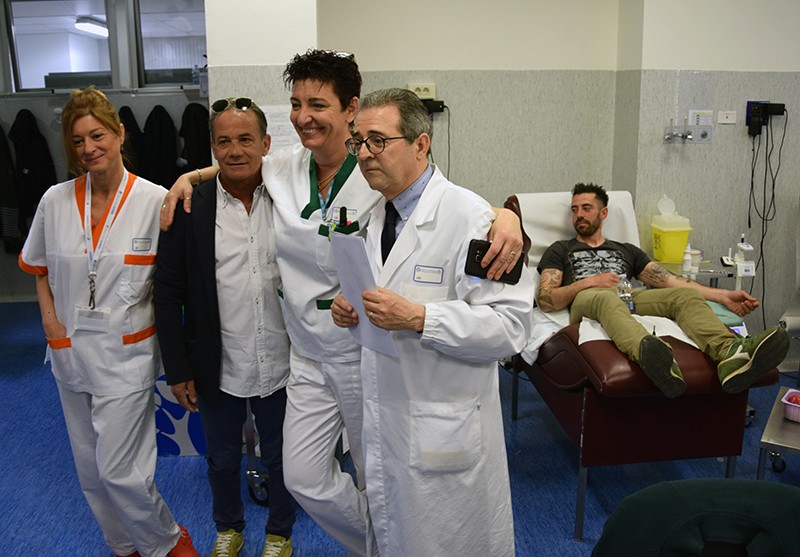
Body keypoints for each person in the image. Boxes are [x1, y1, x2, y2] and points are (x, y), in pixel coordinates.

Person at [160, 49, 524, 556]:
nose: (303, 116)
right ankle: (377, 542)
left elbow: (439, 200)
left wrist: (505, 217)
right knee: (304, 477)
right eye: (296, 104)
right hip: (308, 356)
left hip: (364, 355)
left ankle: (389, 542)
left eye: (317, 104)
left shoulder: (376, 173)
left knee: (382, 476)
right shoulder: (285, 168)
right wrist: (190, 178)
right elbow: (235, 160)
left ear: (350, 108)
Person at [331, 88, 533, 556]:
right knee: (395, 528)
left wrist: (421, 318)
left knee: (450, 538)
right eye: (358, 142)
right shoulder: (376, 212)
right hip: (388, 410)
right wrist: (352, 306)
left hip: (444, 425)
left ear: (421, 144)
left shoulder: (474, 221)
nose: (364, 154)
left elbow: (511, 328)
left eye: (378, 141)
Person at [17, 86, 198, 557]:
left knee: (121, 471)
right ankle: (123, 545)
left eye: (97, 136)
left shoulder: (155, 200)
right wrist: (51, 327)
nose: (88, 148)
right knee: (90, 470)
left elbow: (174, 285)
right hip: (69, 351)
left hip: (126, 354)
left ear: (119, 133)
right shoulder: (55, 200)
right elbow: (38, 269)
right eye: (78, 141)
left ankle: (167, 542)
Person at [153, 98, 295, 557]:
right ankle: (228, 527)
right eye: (224, 141)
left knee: (282, 456)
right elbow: (167, 292)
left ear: (266, 144)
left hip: (284, 358)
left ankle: (280, 532)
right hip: (218, 361)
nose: (235, 151)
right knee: (222, 458)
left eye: (246, 139)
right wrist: (178, 369)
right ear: (212, 147)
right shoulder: (191, 207)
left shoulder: (290, 197)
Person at [536, 182, 790, 398]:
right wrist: (590, 282)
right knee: (605, 298)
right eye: (574, 209)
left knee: (684, 295)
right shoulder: (561, 249)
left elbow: (670, 281)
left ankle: (730, 354)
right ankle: (653, 357)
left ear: (603, 213)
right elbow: (546, 300)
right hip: (588, 298)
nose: (579, 215)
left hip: (629, 296)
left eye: (586, 208)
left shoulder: (626, 250)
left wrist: (724, 296)